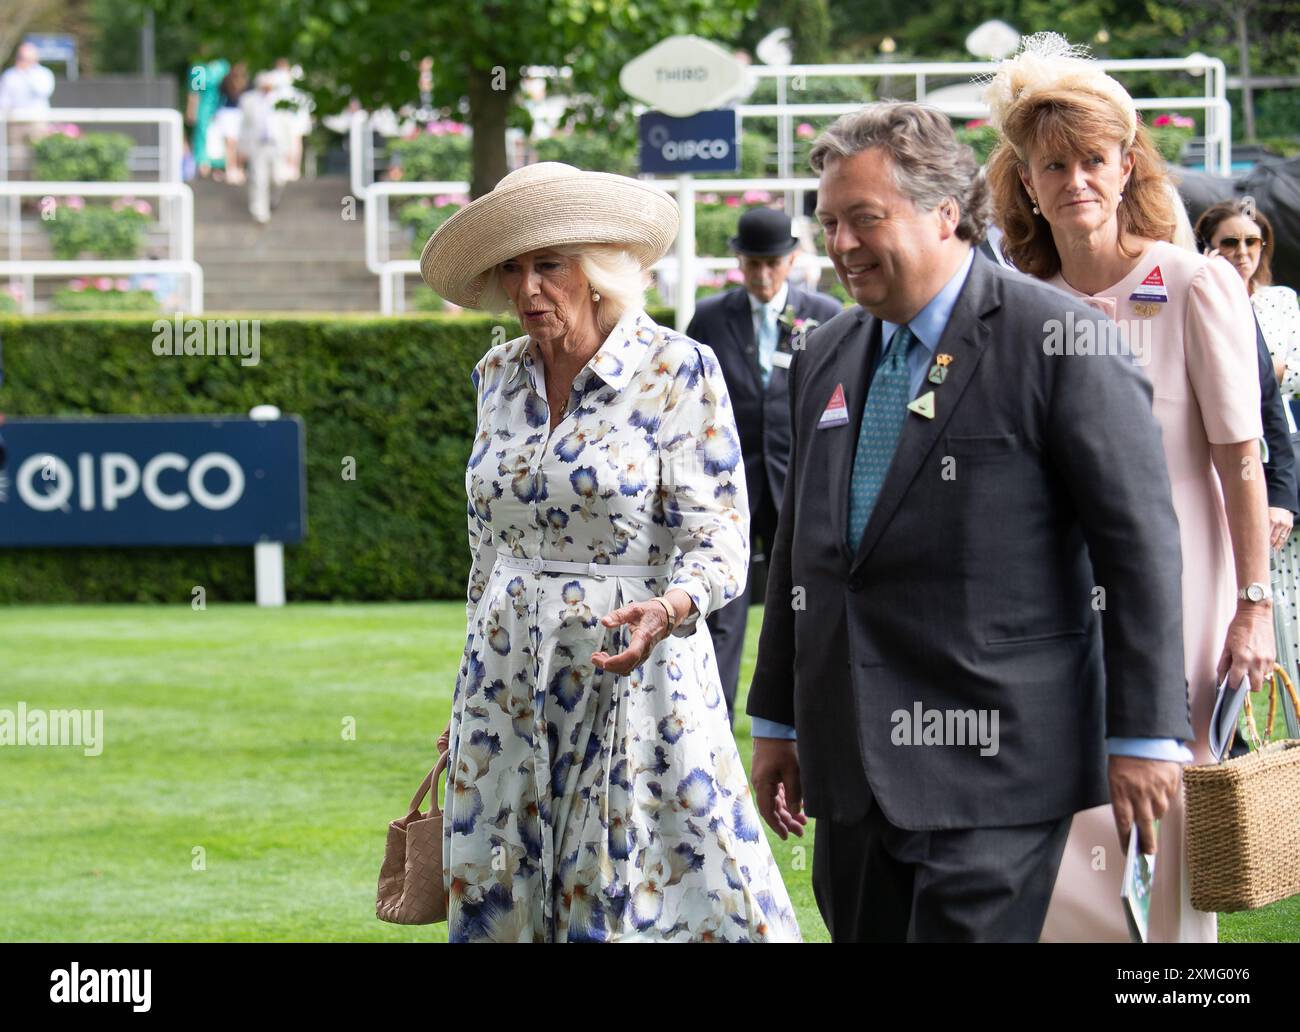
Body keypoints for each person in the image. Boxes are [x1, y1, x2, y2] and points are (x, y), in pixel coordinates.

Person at [746, 100, 1192, 943]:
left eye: (865, 220)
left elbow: (1139, 549)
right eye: (830, 222)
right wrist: (778, 720)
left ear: (946, 212)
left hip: (997, 766)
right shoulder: (824, 356)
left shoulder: (1061, 340)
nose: (840, 245)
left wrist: (1143, 733)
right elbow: (802, 554)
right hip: (850, 773)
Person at [420, 161, 801, 942]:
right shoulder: (496, 377)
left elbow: (724, 535)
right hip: (505, 690)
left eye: (548, 266)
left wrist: (668, 608)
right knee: (509, 892)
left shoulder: (676, 369)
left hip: (636, 681)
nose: (528, 288)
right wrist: (467, 693)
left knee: (649, 895)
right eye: (514, 269)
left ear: (594, 273)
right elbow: (487, 551)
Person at [983, 32, 1275, 943]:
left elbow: (1240, 457)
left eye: (1093, 160)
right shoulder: (1013, 303)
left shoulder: (1193, 285)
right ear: (1026, 182)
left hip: (1178, 600)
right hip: (1048, 603)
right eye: (1053, 164)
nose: (1076, 180)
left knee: (1165, 807)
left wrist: (1254, 606)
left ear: (1126, 166)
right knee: (1060, 812)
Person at [685, 207, 841, 725]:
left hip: (799, 483)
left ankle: (802, 718)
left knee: (802, 604)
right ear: (739, 262)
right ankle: (715, 722)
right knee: (722, 608)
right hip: (727, 488)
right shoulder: (709, 319)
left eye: (773, 263)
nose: (763, 274)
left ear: (792, 259)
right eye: (753, 263)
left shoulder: (825, 312)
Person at [1197, 199, 1300, 729]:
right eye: (1228, 242)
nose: (1241, 253)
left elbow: (1274, 396)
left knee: (1280, 613)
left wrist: (1283, 493)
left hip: (1264, 471)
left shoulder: (1279, 304)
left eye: (1250, 242)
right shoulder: (1199, 293)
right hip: (1215, 488)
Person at [0, 42, 56, 175]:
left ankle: (39, 195)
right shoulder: (10, 75)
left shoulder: (43, 74)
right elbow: (4, 99)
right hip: (15, 122)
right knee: (16, 161)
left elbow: (43, 91)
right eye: (21, 57)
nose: (23, 61)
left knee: (38, 159)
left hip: (37, 122)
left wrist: (28, 73)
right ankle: (16, 195)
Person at [238, 71, 287, 225]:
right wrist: (242, 148)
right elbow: (244, 126)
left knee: (278, 178)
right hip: (257, 145)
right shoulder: (248, 100)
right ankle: (260, 211)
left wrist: (290, 148)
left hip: (276, 145)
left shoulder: (281, 99)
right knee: (258, 179)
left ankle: (272, 201)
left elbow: (286, 125)